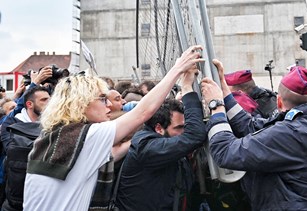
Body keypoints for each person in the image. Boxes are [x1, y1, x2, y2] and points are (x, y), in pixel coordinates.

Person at [22, 45, 204, 211]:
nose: (108, 105)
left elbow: (114, 154)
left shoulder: (56, 136)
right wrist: (178, 70)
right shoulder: (86, 136)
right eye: (102, 99)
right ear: (80, 104)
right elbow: (143, 112)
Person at [202, 61, 307, 210]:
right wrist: (225, 92)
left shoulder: (291, 133)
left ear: (279, 101)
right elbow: (252, 126)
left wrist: (215, 106)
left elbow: (225, 152)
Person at [115, 69, 207, 210]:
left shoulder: (160, 137)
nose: (184, 132)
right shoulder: (147, 147)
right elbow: (194, 136)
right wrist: (187, 87)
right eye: (179, 128)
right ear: (158, 128)